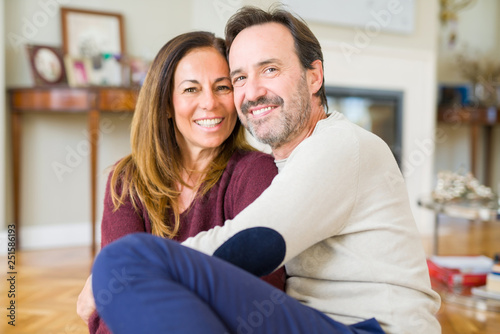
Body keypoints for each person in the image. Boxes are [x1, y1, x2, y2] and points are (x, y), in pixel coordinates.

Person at [90, 6, 441, 334]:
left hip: (370, 328)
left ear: (314, 75)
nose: (253, 91)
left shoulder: (339, 145)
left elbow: (251, 245)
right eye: (239, 78)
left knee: (124, 259)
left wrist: (127, 271)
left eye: (269, 69)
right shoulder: (291, 162)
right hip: (314, 321)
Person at [77, 31, 286, 334]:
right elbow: (114, 303)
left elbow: (260, 293)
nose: (210, 103)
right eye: (191, 89)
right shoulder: (126, 181)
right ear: (165, 104)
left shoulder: (257, 173)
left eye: (222, 87)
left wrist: (145, 281)